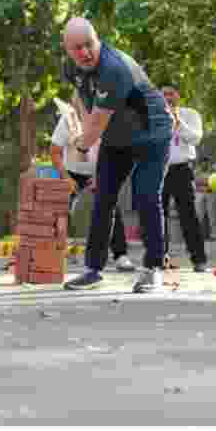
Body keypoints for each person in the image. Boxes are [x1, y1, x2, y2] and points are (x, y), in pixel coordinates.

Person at [60, 18, 173, 293]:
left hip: (151, 133)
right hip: (117, 137)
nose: (84, 53)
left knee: (145, 195)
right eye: (77, 48)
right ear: (67, 49)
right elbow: (84, 102)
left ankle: (153, 268)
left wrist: (82, 144)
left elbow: (97, 122)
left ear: (98, 40)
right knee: (103, 198)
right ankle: (93, 270)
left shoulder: (113, 68)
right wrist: (81, 128)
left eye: (89, 45)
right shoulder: (71, 68)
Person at [49, 93, 135, 272]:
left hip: (100, 170)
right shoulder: (67, 121)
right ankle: (52, 253)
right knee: (58, 210)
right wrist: (66, 178)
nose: (84, 104)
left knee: (110, 207)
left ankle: (121, 255)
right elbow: (55, 151)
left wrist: (100, 176)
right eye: (80, 100)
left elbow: (115, 151)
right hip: (70, 172)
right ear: (74, 103)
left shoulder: (106, 119)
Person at [160, 85, 208, 273]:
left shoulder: (190, 114)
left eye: (170, 93)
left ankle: (199, 259)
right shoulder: (153, 115)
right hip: (159, 170)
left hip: (182, 169)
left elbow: (195, 138)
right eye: (163, 94)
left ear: (178, 95)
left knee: (188, 215)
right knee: (158, 216)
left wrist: (177, 121)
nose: (167, 97)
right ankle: (159, 258)